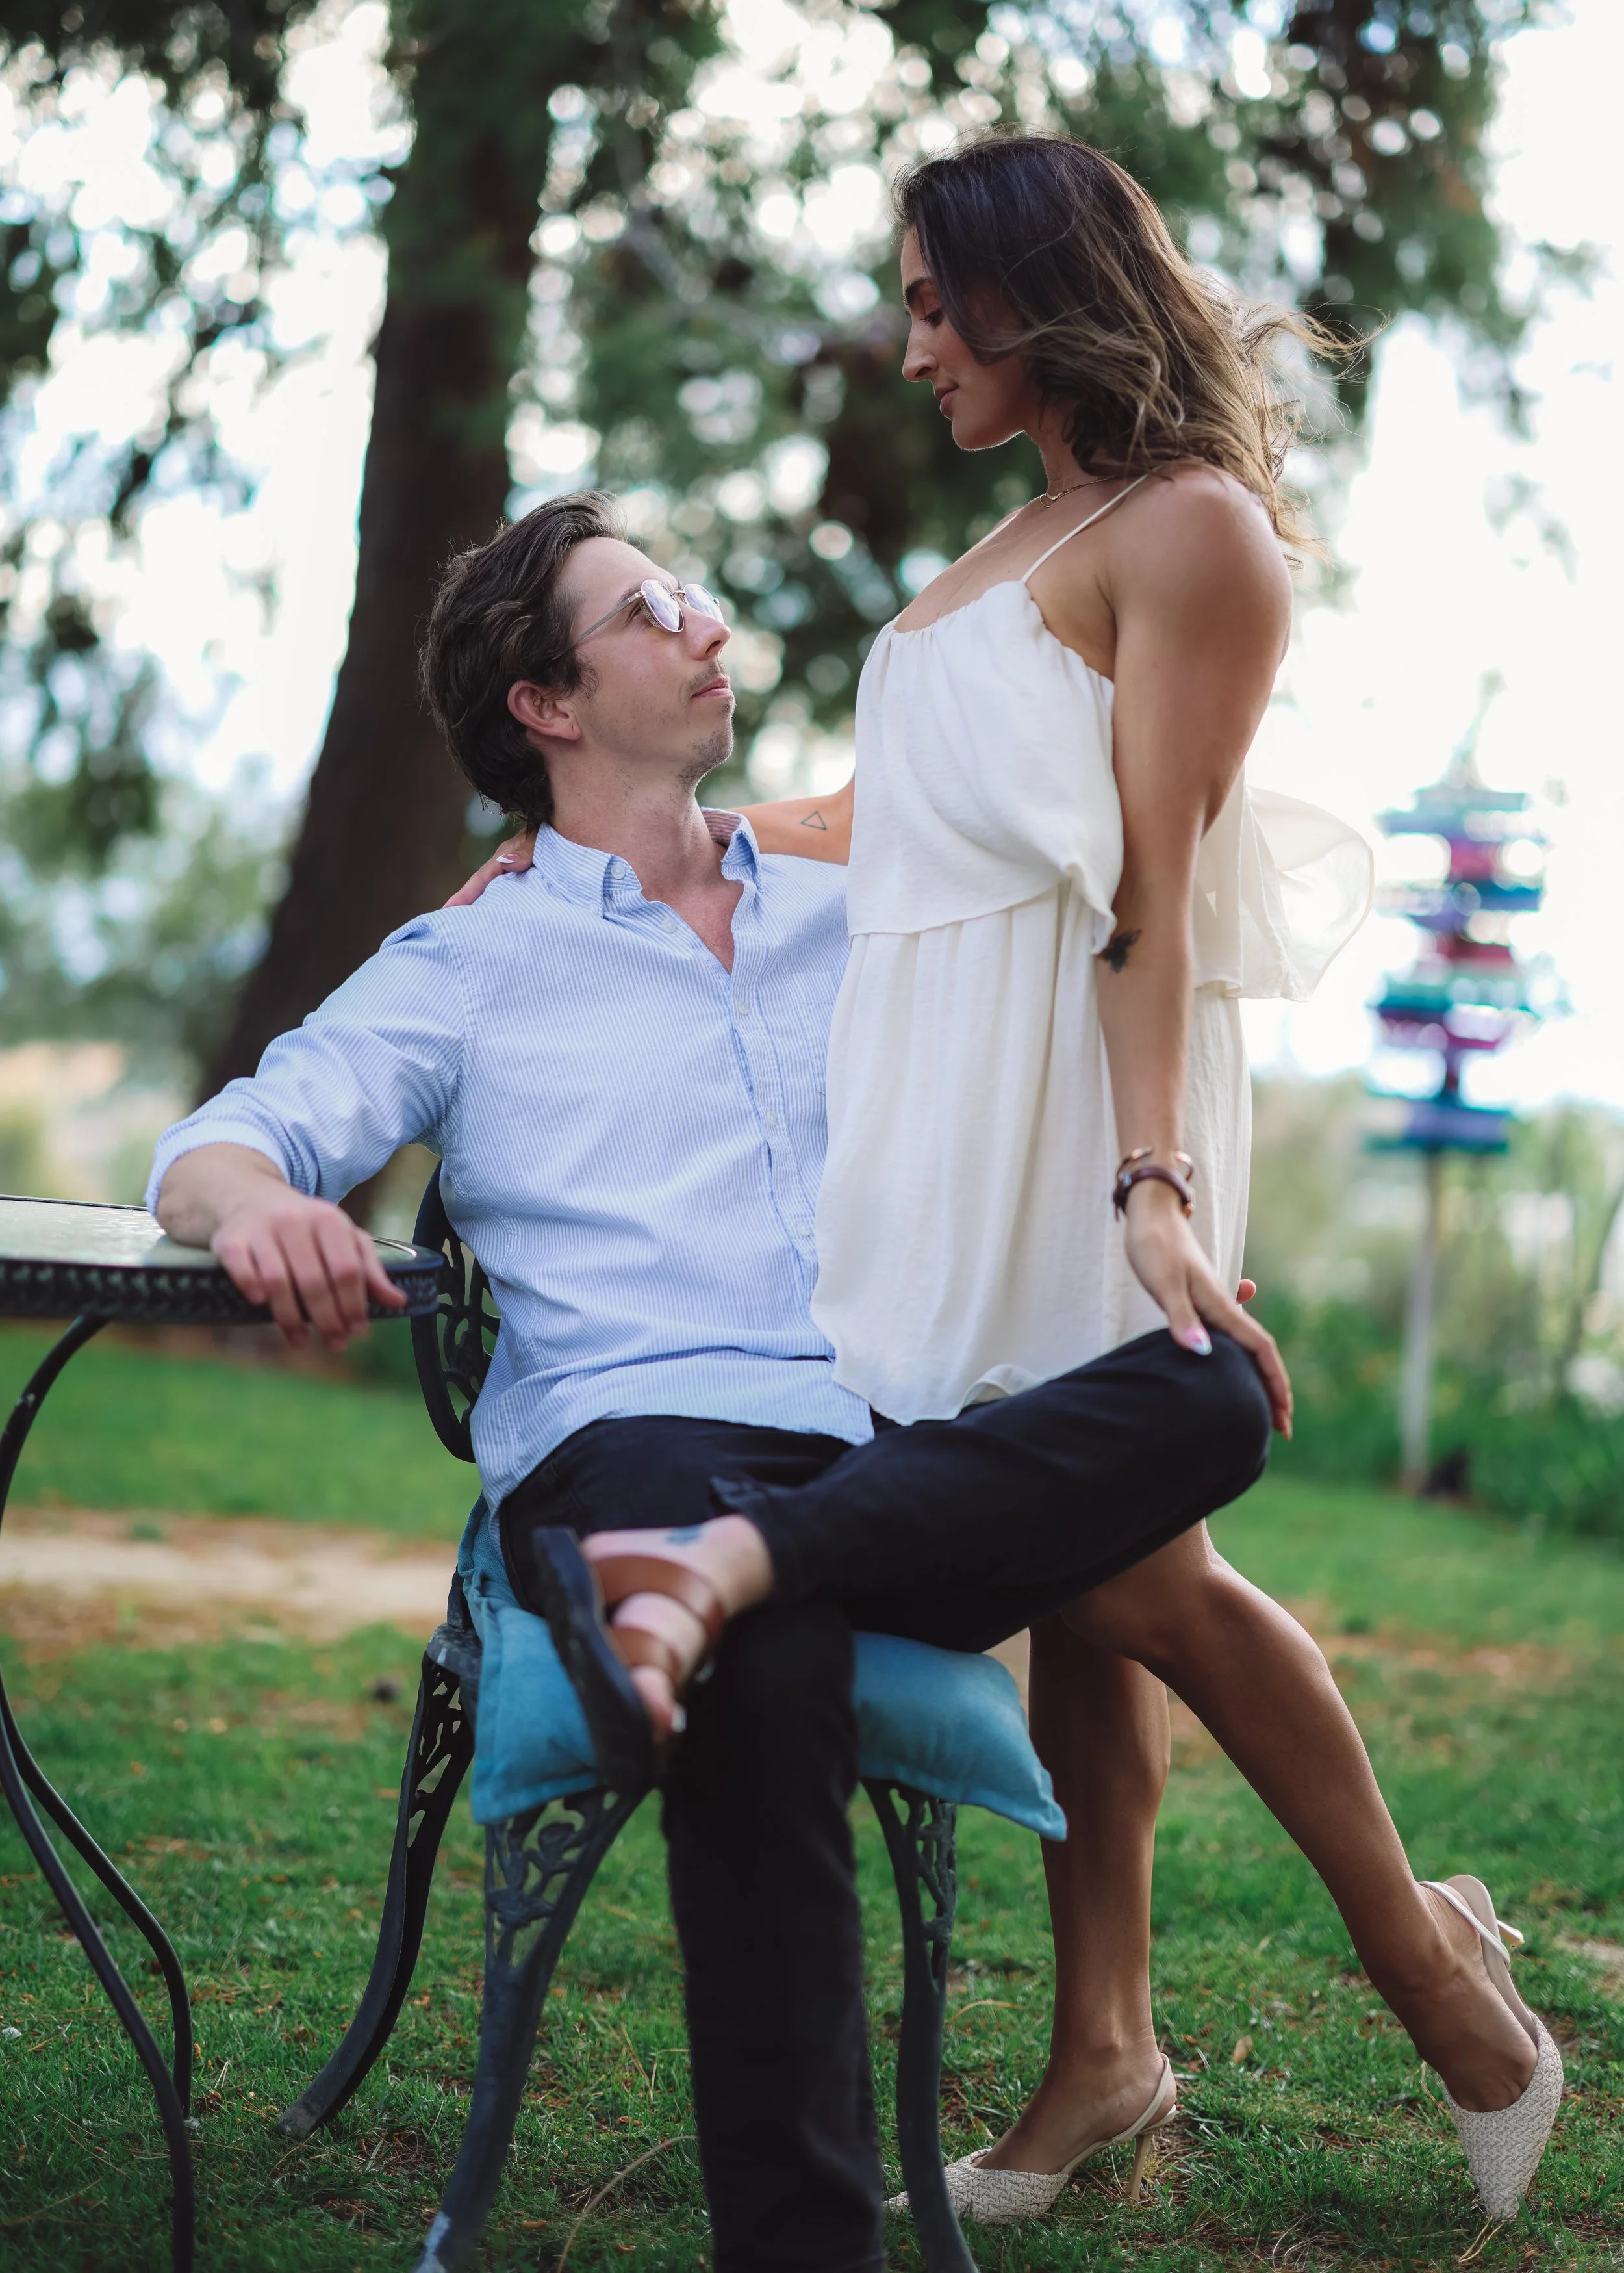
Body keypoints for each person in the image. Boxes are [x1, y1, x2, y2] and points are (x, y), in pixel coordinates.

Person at [457, 136, 1560, 2228]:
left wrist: (1150, 1177)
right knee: (1084, 1572)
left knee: (1130, 1570)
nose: (907, 344)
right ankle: (1106, 2048)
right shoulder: (1022, 532)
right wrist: (627, 849)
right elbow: (902, 807)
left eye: (931, 303)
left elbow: (1150, 880)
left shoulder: (1197, 532)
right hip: (944, 1107)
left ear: (1031, 289)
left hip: (1085, 1095)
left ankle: (1435, 1976)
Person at [146, 494, 1273, 2273]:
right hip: (630, 1442)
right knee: (770, 1643)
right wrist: (268, 1207)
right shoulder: (472, 957)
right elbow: (223, 1140)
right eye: (647, 607)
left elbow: (1087, 896)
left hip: (873, 1445)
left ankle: (738, 1572)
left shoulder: (863, 906)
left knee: (1214, 1392)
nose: (705, 625)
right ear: (548, 702)